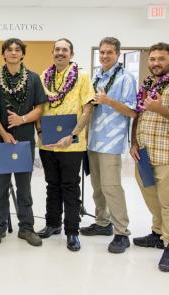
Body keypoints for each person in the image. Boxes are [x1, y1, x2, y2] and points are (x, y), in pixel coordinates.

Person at [0, 38, 46, 246]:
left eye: (17, 50)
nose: (13, 52)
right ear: (3, 54)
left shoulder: (34, 79)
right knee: (2, 185)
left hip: (25, 140)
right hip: (1, 140)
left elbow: (40, 108)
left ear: (22, 54)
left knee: (24, 186)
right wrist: (3, 133)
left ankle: (26, 228)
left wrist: (22, 119)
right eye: (9, 49)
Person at [36, 38, 95, 251]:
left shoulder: (83, 76)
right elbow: (38, 107)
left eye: (65, 50)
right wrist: (40, 131)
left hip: (72, 143)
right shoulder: (43, 76)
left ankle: (72, 232)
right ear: (52, 52)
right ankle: (52, 224)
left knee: (70, 187)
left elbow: (88, 108)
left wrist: (72, 134)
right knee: (52, 185)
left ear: (71, 53)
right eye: (57, 49)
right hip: (47, 143)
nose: (60, 53)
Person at [80, 37, 137, 254]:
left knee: (112, 188)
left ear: (118, 54)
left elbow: (132, 112)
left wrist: (109, 101)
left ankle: (121, 232)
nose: (104, 56)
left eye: (109, 53)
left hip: (111, 143)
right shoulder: (97, 76)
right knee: (97, 187)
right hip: (93, 140)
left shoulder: (126, 78)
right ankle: (103, 223)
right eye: (102, 52)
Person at [130, 42, 169, 272]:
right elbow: (138, 115)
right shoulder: (147, 84)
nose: (155, 63)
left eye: (161, 59)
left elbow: (155, 110)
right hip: (144, 153)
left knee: (168, 203)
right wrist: (133, 142)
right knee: (151, 197)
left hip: (165, 154)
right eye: (153, 59)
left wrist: (158, 108)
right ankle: (157, 233)